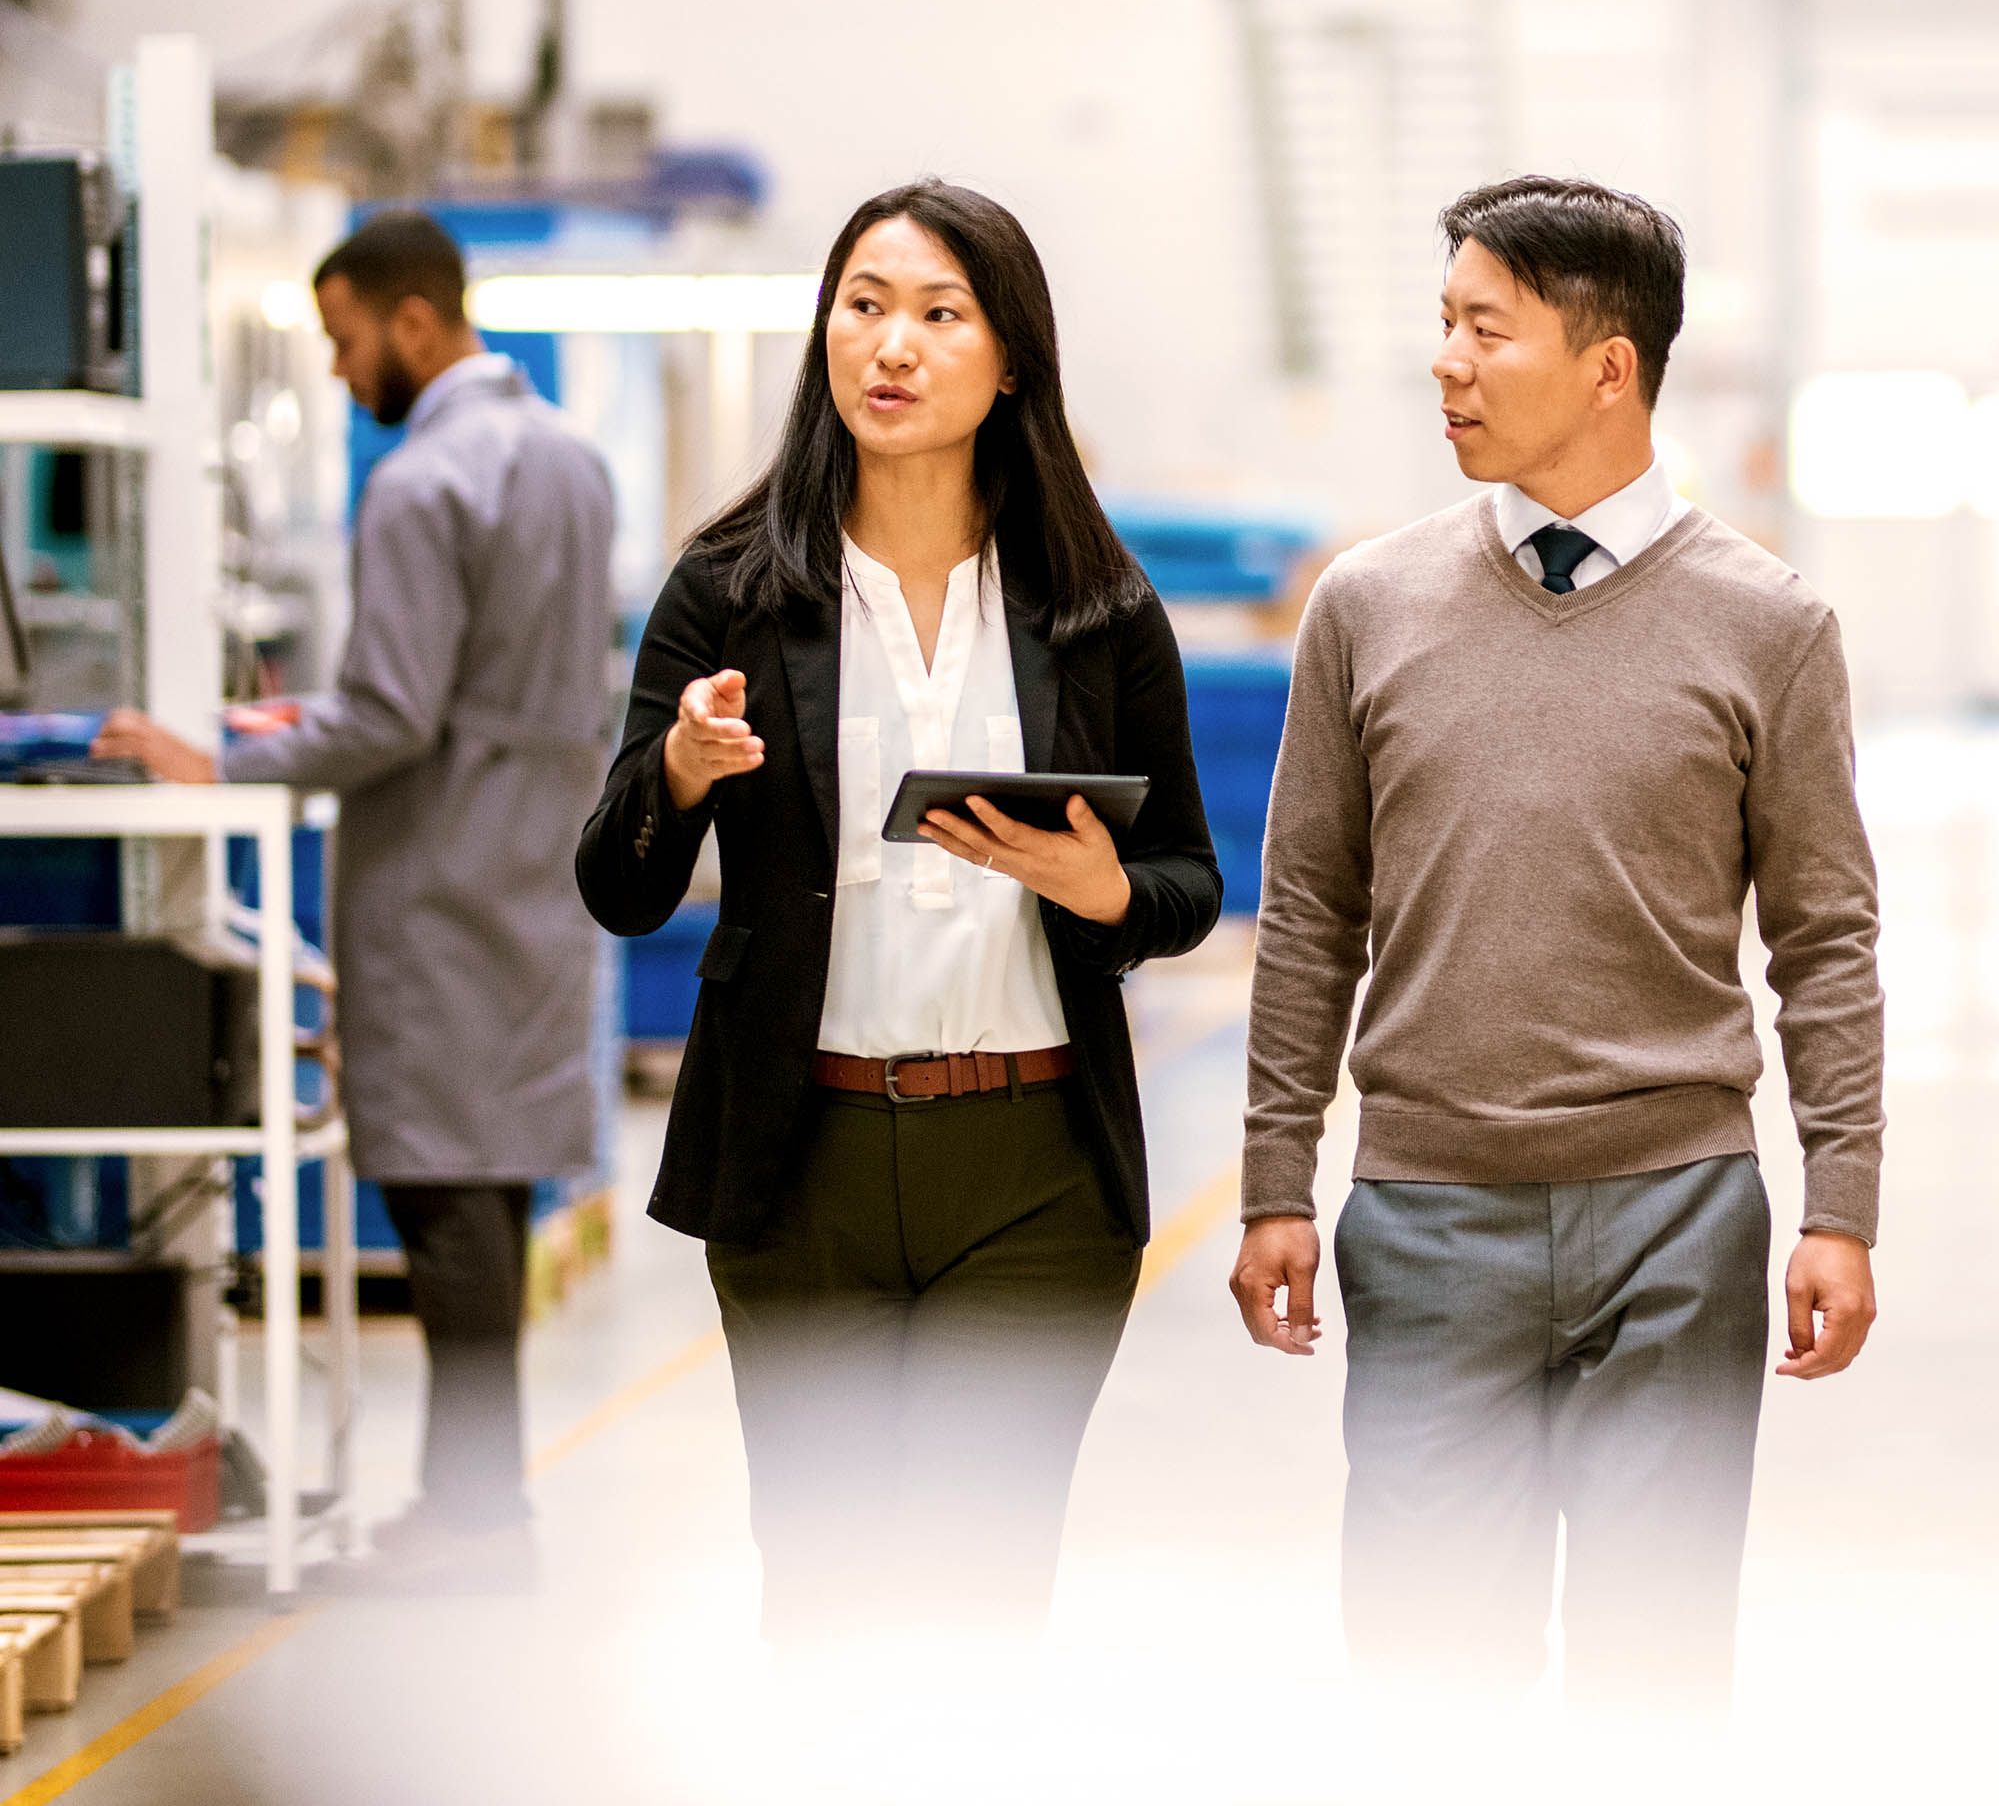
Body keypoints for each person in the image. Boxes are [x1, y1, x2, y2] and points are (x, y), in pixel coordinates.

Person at [1229, 175, 1886, 1709]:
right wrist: (1276, 1175)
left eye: (1483, 330)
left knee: (1653, 1678)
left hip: (1677, 1221)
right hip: (1427, 1216)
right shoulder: (1366, 608)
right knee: (1426, 1670)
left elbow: (1826, 940)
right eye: (1442, 325)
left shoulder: (1768, 626)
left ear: (1610, 365)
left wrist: (1840, 1201)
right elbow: (1313, 907)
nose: (1444, 363)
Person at [573, 179, 1220, 1646]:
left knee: (980, 1595)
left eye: (940, 314)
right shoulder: (730, 593)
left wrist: (1104, 890)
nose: (893, 344)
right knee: (825, 1589)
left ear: (1013, 363)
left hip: (1036, 1171)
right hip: (801, 1166)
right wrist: (676, 771)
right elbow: (620, 888)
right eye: (864, 304)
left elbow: (1189, 882)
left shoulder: (1097, 606)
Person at [99, 210, 615, 1592]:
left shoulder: (419, 481)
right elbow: (481, 681)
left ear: (409, 320)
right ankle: (481, 1503)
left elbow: (391, 711)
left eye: (340, 340)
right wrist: (297, 717)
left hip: (439, 882)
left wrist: (230, 753)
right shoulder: (568, 457)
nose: (335, 371)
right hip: (533, 869)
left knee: (443, 1200)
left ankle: (470, 1524)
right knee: (489, 1193)